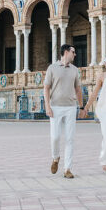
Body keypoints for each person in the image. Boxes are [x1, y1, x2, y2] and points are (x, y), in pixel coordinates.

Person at [43, 44, 83, 179]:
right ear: (66, 52)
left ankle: (67, 169)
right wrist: (47, 106)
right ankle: (55, 158)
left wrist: (81, 106)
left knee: (70, 138)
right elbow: (46, 88)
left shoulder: (74, 70)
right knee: (55, 137)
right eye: (73, 51)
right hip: (55, 107)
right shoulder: (52, 68)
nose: (75, 54)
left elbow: (78, 89)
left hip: (71, 107)